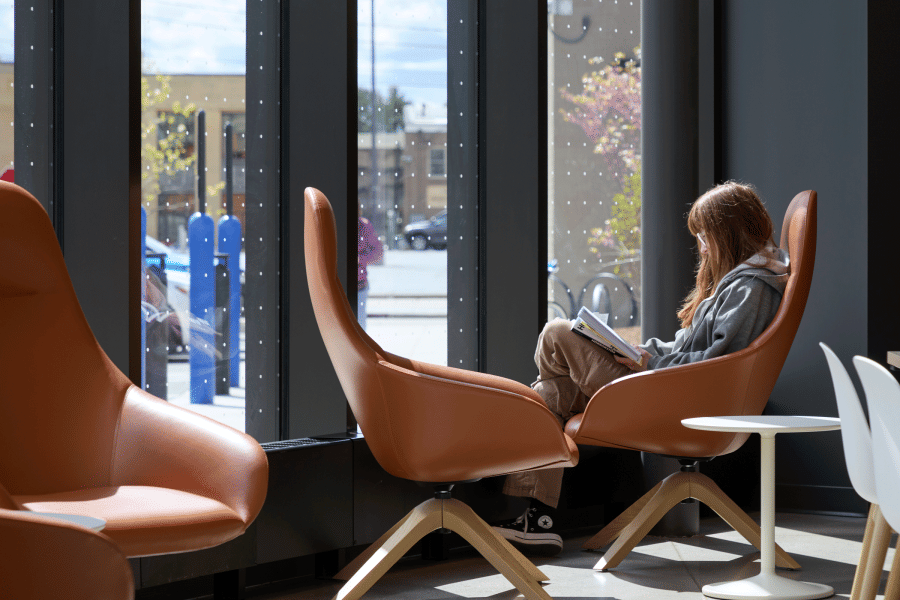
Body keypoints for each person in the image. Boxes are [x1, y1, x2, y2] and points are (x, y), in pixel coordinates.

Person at [493, 181, 791, 556]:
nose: (701, 247)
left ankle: (540, 511)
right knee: (545, 396)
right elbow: (691, 348)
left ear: (728, 233)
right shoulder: (740, 283)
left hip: (679, 398)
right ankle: (539, 520)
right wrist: (642, 351)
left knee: (557, 333)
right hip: (667, 383)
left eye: (705, 236)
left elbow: (721, 365)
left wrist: (650, 362)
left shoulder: (752, 287)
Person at [357, 213, 383, 330]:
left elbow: (378, 253)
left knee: (359, 326)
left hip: (359, 286)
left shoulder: (363, 225)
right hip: (334, 287)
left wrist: (360, 259)